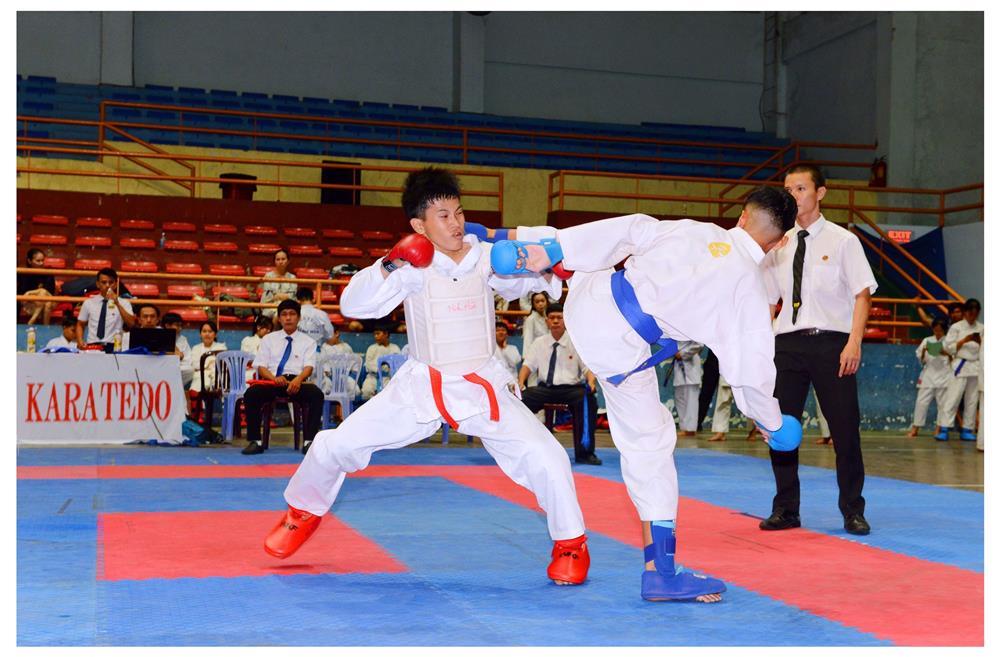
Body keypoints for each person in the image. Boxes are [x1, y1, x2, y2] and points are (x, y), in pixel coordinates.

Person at [263, 167, 590, 587]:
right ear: (419, 225)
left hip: (482, 385)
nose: (456, 223)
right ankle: (303, 512)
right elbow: (354, 305)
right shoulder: (409, 264)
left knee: (547, 456)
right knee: (335, 444)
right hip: (422, 386)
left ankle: (570, 543)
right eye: (443, 216)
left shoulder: (486, 256)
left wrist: (552, 266)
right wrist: (390, 262)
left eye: (459, 212)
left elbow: (534, 278)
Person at [486, 184, 803, 603]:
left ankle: (513, 246)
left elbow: (631, 229)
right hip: (622, 351)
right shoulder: (750, 291)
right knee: (650, 448)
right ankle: (661, 573)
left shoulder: (695, 229)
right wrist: (772, 423)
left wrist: (563, 248)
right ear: (779, 242)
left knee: (586, 258)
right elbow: (751, 372)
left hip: (593, 300)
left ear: (742, 216)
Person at [758, 164, 876, 536]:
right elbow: (769, 301)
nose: (793, 195)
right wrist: (762, 346)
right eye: (788, 189)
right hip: (786, 344)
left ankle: (853, 510)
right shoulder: (779, 243)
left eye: (800, 188)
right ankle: (785, 508)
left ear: (820, 193)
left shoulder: (843, 241)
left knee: (845, 430)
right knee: (781, 429)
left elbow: (862, 295)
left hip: (831, 343)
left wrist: (854, 341)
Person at [518, 303, 600, 465]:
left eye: (559, 318)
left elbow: (587, 368)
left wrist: (591, 382)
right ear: (547, 321)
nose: (555, 321)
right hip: (546, 389)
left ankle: (585, 453)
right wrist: (520, 382)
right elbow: (527, 366)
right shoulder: (539, 343)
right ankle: (523, 450)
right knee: (520, 400)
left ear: (565, 320)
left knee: (588, 400)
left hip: (572, 390)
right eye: (552, 318)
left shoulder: (576, 342)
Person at [241, 299, 325, 455]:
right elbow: (261, 366)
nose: (288, 318)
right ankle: (255, 441)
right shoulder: (268, 339)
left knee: (317, 395)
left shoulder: (308, 342)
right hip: (273, 381)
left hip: (297, 381)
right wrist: (273, 379)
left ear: (299, 318)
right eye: (284, 314)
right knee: (251, 394)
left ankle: (309, 441)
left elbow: (309, 367)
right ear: (279, 318)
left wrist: (298, 380)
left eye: (292, 314)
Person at [939, 298, 983, 441]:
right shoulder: (956, 327)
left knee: (972, 400)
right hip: (960, 364)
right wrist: (965, 340)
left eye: (975, 314)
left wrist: (980, 342)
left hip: (976, 366)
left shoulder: (982, 328)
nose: (973, 316)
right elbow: (947, 348)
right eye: (970, 313)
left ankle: (967, 429)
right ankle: (944, 428)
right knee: (953, 397)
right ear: (965, 312)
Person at [906, 318, 954, 439]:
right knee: (921, 403)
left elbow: (954, 359)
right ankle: (915, 428)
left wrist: (945, 353)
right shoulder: (927, 340)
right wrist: (924, 351)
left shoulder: (949, 341)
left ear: (944, 330)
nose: (937, 333)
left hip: (944, 376)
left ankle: (938, 428)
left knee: (942, 405)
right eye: (935, 330)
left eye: (940, 330)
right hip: (928, 375)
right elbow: (921, 359)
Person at [76, 267, 135, 351]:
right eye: (104, 282)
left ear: (116, 284)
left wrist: (117, 303)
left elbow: (131, 324)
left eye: (111, 282)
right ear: (97, 284)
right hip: (92, 345)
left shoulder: (124, 303)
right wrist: (80, 341)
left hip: (114, 346)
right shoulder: (88, 303)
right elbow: (80, 324)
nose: (107, 285)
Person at [359, 323, 402, 400]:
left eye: (378, 334)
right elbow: (368, 365)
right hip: (373, 378)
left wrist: (388, 370)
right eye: (374, 334)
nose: (376, 336)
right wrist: (381, 369)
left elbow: (397, 365)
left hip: (388, 378)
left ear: (386, 334)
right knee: (366, 391)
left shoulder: (395, 348)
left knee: (391, 394)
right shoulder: (371, 348)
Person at [670, 341, 703, 437]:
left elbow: (699, 344)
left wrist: (683, 353)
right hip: (679, 365)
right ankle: (684, 427)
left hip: (690, 365)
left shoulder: (693, 331)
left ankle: (690, 429)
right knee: (680, 398)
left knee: (691, 400)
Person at [18, 248, 56, 325]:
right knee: (47, 302)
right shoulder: (23, 273)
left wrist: (30, 292)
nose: (41, 263)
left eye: (42, 260)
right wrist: (34, 294)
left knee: (44, 294)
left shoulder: (48, 273)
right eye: (38, 261)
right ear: (29, 261)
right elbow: (23, 293)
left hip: (46, 298)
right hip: (29, 302)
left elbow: (49, 292)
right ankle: (46, 328)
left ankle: (32, 321)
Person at [189, 321, 227, 394]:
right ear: (200, 334)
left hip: (217, 374)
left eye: (210, 331)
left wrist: (205, 365)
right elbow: (195, 365)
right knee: (200, 378)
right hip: (201, 374)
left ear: (215, 334)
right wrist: (209, 363)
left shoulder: (221, 347)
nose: (207, 334)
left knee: (219, 378)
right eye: (204, 331)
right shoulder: (195, 348)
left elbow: (222, 365)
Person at [260, 248, 297, 322]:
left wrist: (277, 296)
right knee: (277, 315)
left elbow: (292, 297)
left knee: (281, 314)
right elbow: (268, 296)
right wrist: (282, 296)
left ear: (288, 261)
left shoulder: (292, 277)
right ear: (274, 261)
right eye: (278, 259)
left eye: (283, 259)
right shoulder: (268, 276)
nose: (280, 262)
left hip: (287, 307)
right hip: (270, 306)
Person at [162, 312, 194, 387]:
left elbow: (188, 359)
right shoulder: (158, 336)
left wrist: (177, 361)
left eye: (181, 326)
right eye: (177, 325)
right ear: (167, 325)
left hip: (179, 367)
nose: (180, 328)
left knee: (190, 370)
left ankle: (174, 388)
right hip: (162, 366)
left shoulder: (183, 339)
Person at [520, 291, 551, 359]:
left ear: (547, 302)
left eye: (542, 301)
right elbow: (528, 339)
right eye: (537, 302)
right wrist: (526, 358)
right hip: (536, 354)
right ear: (533, 304)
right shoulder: (530, 319)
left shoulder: (549, 318)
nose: (540, 304)